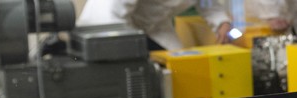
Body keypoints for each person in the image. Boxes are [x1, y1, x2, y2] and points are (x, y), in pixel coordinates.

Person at [78, 0, 236, 51]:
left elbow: (207, 3)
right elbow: (109, 14)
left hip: (156, 27)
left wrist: (222, 22)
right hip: (111, 28)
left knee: (178, 67)